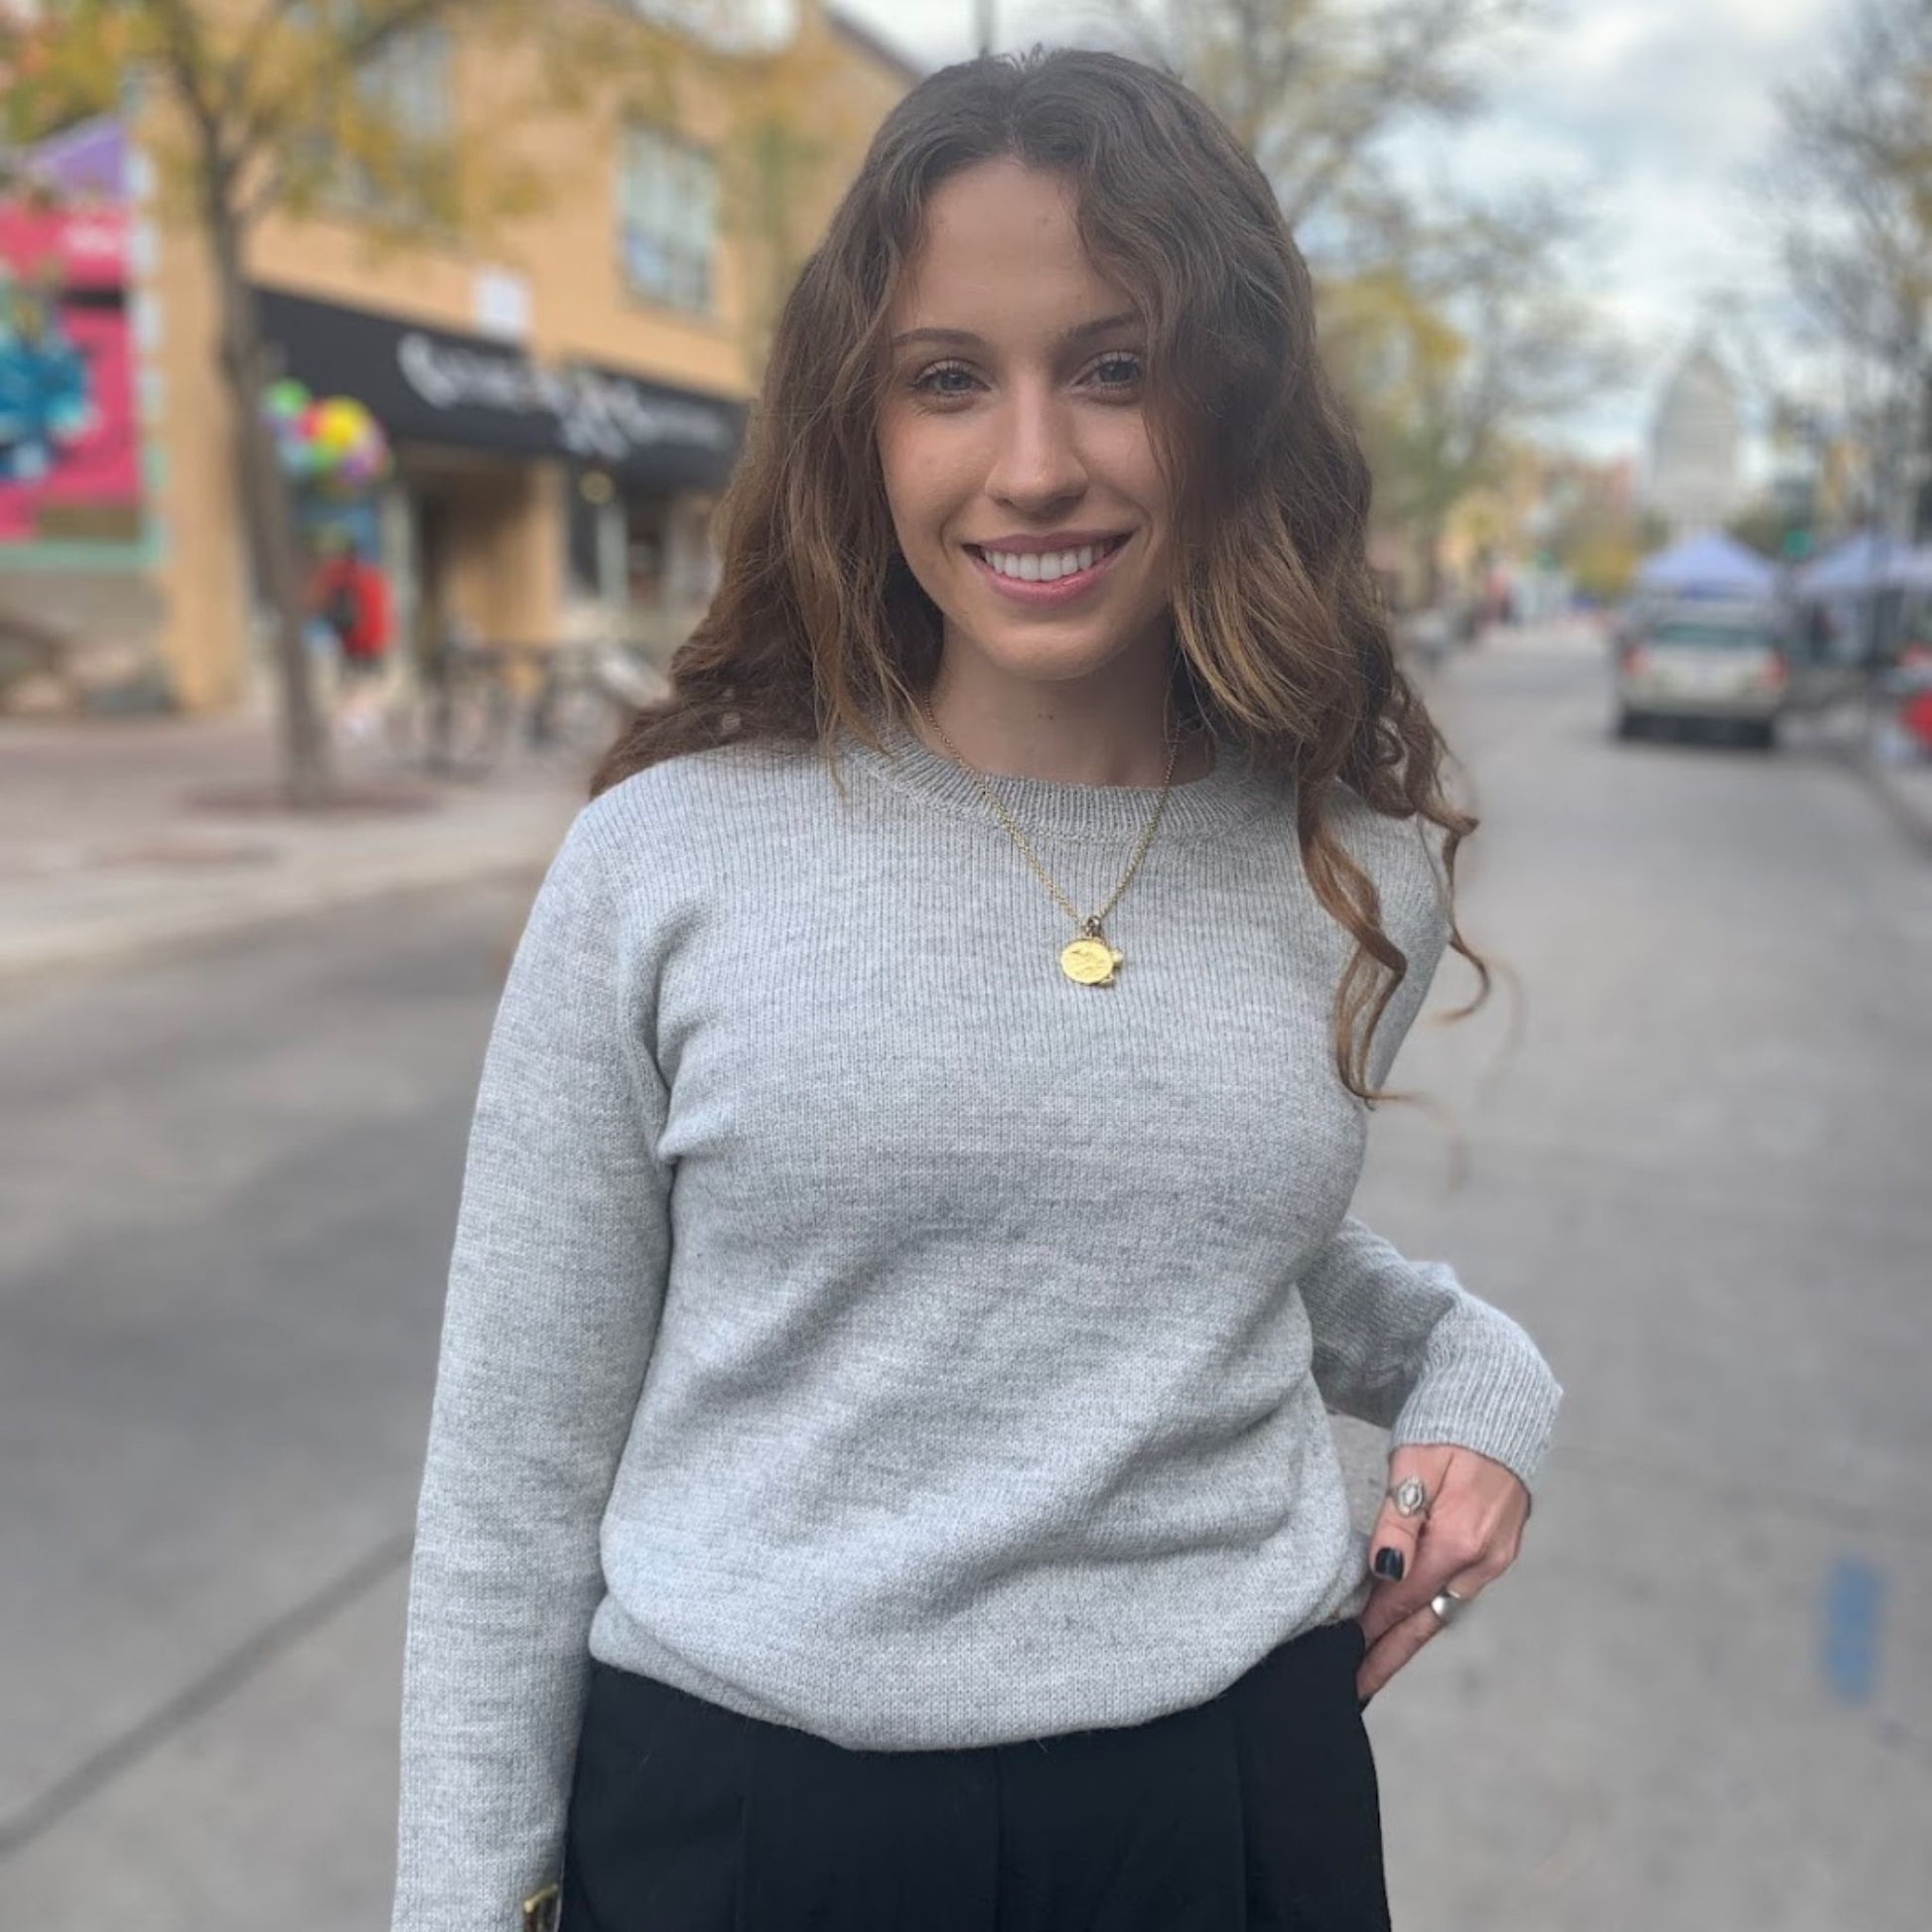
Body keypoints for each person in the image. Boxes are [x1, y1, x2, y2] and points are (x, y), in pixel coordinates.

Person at [391, 48, 1562, 1932]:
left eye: (1115, 367)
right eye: (950, 379)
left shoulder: (1359, 870)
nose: (1033, 461)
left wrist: (1475, 1376)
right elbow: (511, 1476)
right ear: (862, 429)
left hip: (1229, 1812)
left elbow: (1193, 1242)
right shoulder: (667, 859)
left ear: (1234, 405)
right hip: (747, 1831)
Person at [308, 530, 392, 742]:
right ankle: (363, 716)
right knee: (367, 678)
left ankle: (357, 717)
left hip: (353, 637)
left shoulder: (340, 576)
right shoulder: (370, 575)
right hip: (369, 636)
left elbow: (320, 600)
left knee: (351, 679)